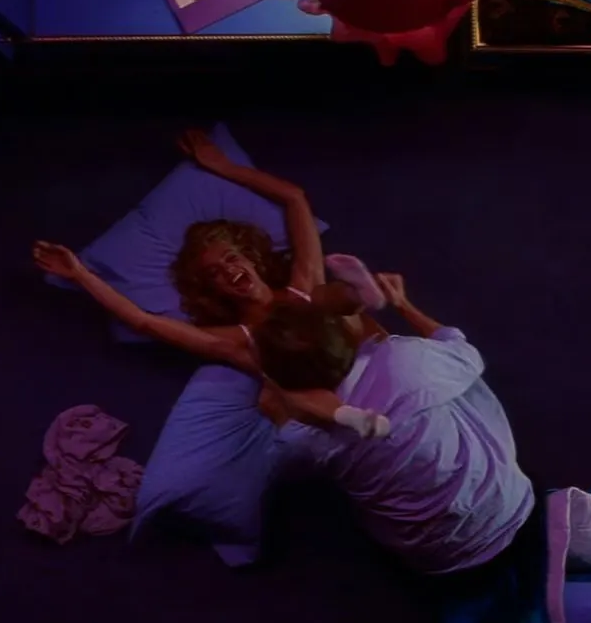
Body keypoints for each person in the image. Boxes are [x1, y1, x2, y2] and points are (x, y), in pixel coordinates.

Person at [252, 273, 591, 574]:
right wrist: (404, 306)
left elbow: (285, 464)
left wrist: (277, 409)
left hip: (433, 563)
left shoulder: (302, 439)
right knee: (451, 388)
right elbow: (461, 349)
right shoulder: (405, 360)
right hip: (509, 513)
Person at [31, 128, 388, 436]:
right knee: (275, 391)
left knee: (321, 297)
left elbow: (295, 199)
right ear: (213, 291)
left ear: (252, 259)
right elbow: (143, 321)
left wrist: (223, 167)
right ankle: (347, 416)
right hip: (324, 393)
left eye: (231, 258)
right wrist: (81, 274)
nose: (227, 271)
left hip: (358, 352)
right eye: (214, 273)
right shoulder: (238, 340)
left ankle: (361, 295)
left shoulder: (301, 286)